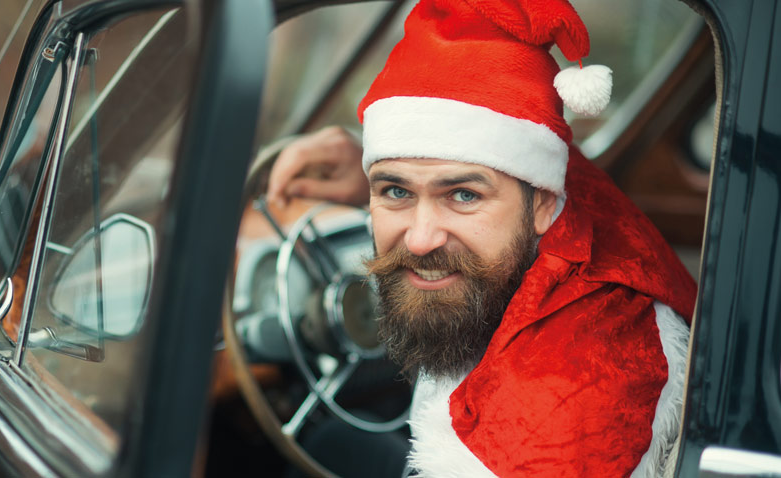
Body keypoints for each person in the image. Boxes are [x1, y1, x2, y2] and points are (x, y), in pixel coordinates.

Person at [267, 0, 697, 476]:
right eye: (395, 190)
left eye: (464, 196)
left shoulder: (553, 420)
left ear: (543, 204)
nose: (421, 238)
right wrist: (377, 159)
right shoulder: (551, 195)